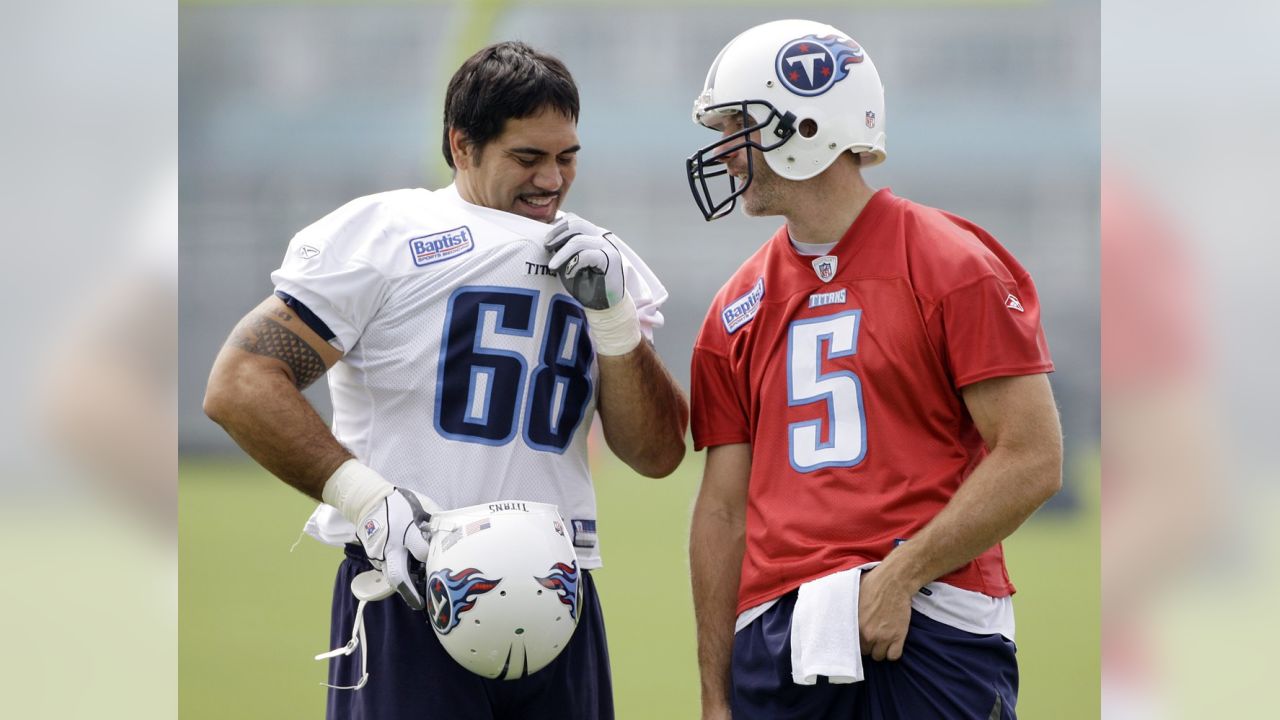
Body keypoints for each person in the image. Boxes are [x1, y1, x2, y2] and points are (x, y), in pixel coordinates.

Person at [203, 41, 688, 720]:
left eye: (567, 156)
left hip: (558, 588)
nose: (552, 179)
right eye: (528, 157)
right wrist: (369, 500)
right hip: (414, 582)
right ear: (462, 146)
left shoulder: (598, 257)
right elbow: (240, 381)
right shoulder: (390, 233)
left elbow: (657, 453)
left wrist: (612, 318)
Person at [684, 19, 1062, 720]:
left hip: (927, 620)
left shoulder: (951, 263)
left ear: (804, 125)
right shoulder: (735, 308)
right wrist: (715, 696)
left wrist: (903, 572)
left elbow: (1033, 456)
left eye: (739, 126)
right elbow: (722, 510)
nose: (726, 154)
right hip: (778, 636)